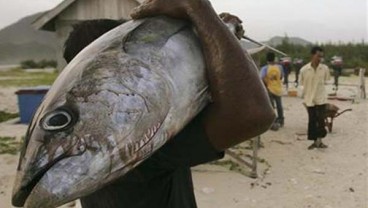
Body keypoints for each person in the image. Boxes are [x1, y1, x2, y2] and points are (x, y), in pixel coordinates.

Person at [63, 0, 275, 207]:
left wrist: (217, 31)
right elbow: (253, 113)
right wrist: (201, 11)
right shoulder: (134, 146)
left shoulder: (80, 145)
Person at [299, 46, 331, 150]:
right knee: (312, 121)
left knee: (321, 121)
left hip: (321, 98)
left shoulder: (325, 69)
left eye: (321, 56)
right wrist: (303, 98)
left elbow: (326, 81)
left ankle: (320, 141)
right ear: (312, 55)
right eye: (318, 56)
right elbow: (302, 84)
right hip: (309, 99)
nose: (320, 58)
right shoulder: (304, 70)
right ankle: (314, 142)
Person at [260, 52, 285, 128]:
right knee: (279, 106)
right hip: (278, 89)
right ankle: (281, 120)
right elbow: (281, 77)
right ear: (274, 58)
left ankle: (272, 121)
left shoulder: (265, 68)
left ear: (267, 59)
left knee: (271, 106)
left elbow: (261, 78)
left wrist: (267, 83)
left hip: (269, 89)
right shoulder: (280, 67)